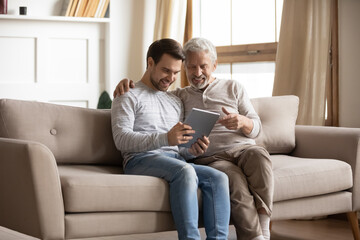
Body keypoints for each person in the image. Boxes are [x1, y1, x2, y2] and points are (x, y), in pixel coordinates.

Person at [114, 37, 274, 240]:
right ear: (150, 63)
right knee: (185, 170)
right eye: (166, 70)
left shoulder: (174, 99)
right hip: (140, 159)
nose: (170, 78)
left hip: (176, 159)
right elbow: (121, 139)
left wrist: (191, 150)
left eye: (175, 73)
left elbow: (178, 147)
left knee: (219, 178)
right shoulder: (128, 94)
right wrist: (166, 138)